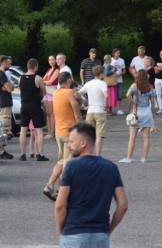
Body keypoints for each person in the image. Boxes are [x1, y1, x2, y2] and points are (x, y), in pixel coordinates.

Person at [43, 72, 82, 201]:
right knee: (68, 163)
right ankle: (64, 193)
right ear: (69, 80)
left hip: (59, 131)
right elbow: (77, 113)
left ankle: (49, 186)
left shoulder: (56, 93)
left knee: (61, 161)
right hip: (69, 132)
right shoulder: (70, 93)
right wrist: (82, 129)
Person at [119, 70, 156, 163]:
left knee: (132, 137)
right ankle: (144, 158)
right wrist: (153, 115)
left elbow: (127, 95)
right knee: (146, 137)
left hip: (137, 112)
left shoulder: (134, 86)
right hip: (147, 112)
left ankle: (129, 158)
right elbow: (152, 103)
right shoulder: (150, 87)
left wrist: (133, 102)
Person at [18, 58, 48, 161]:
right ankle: (40, 154)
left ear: (27, 66)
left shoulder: (20, 78)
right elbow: (44, 92)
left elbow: (21, 89)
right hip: (35, 105)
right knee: (39, 130)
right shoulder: (38, 78)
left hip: (24, 105)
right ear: (35, 67)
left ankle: (22, 154)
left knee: (23, 130)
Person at [78, 65, 108, 156]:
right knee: (99, 135)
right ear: (101, 74)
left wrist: (81, 104)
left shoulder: (88, 83)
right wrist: (106, 106)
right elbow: (106, 95)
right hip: (100, 110)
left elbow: (78, 94)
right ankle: (98, 154)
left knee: (88, 134)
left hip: (90, 111)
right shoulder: (103, 83)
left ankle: (87, 153)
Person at [0, 56, 15, 159]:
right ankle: (1, 150)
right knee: (4, 128)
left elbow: (11, 87)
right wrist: (8, 87)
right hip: (4, 104)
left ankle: (2, 149)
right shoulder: (1, 74)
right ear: (3, 64)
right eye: (9, 64)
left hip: (4, 103)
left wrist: (8, 87)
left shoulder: (1, 74)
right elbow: (10, 88)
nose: (10, 66)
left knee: (5, 128)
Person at [43, 55, 60, 140]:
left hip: (52, 91)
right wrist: (44, 81)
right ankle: (49, 131)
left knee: (52, 112)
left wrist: (44, 81)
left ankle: (52, 132)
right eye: (49, 60)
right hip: (46, 91)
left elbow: (49, 82)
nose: (51, 62)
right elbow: (43, 80)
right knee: (48, 113)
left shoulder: (57, 70)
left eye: (52, 60)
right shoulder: (49, 70)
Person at [110, 48, 126, 114]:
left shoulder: (122, 60)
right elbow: (105, 70)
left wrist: (121, 73)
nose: (118, 54)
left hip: (119, 80)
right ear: (113, 54)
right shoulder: (110, 60)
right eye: (117, 53)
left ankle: (119, 109)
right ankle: (110, 109)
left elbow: (124, 70)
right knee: (111, 95)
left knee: (119, 95)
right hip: (111, 81)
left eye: (119, 53)